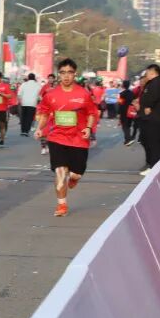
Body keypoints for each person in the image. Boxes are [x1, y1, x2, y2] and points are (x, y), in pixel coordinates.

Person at [34, 58, 98, 216]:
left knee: (76, 173)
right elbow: (44, 114)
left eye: (70, 72)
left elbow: (92, 113)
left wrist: (88, 128)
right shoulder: (51, 95)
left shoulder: (83, 94)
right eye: (63, 73)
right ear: (59, 74)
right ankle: (61, 205)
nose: (66, 76)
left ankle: (75, 178)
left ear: (75, 74)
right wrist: (39, 128)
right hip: (57, 138)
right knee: (60, 172)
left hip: (79, 139)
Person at [138, 64, 160, 175]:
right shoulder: (154, 82)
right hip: (152, 119)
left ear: (152, 72)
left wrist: (148, 106)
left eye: (147, 72)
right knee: (150, 142)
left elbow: (153, 97)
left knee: (154, 144)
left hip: (154, 119)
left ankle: (154, 167)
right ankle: (152, 165)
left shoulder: (156, 83)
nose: (146, 74)